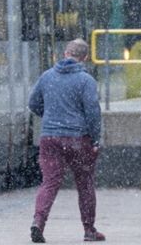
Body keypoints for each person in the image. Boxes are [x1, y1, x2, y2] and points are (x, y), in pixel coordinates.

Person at [28, 39, 104, 243]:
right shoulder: (86, 81)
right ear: (85, 57)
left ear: (65, 53)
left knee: (49, 182)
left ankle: (38, 222)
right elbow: (93, 113)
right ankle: (89, 230)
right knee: (85, 184)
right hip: (78, 139)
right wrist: (95, 139)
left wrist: (51, 117)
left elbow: (33, 103)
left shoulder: (46, 77)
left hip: (50, 138)